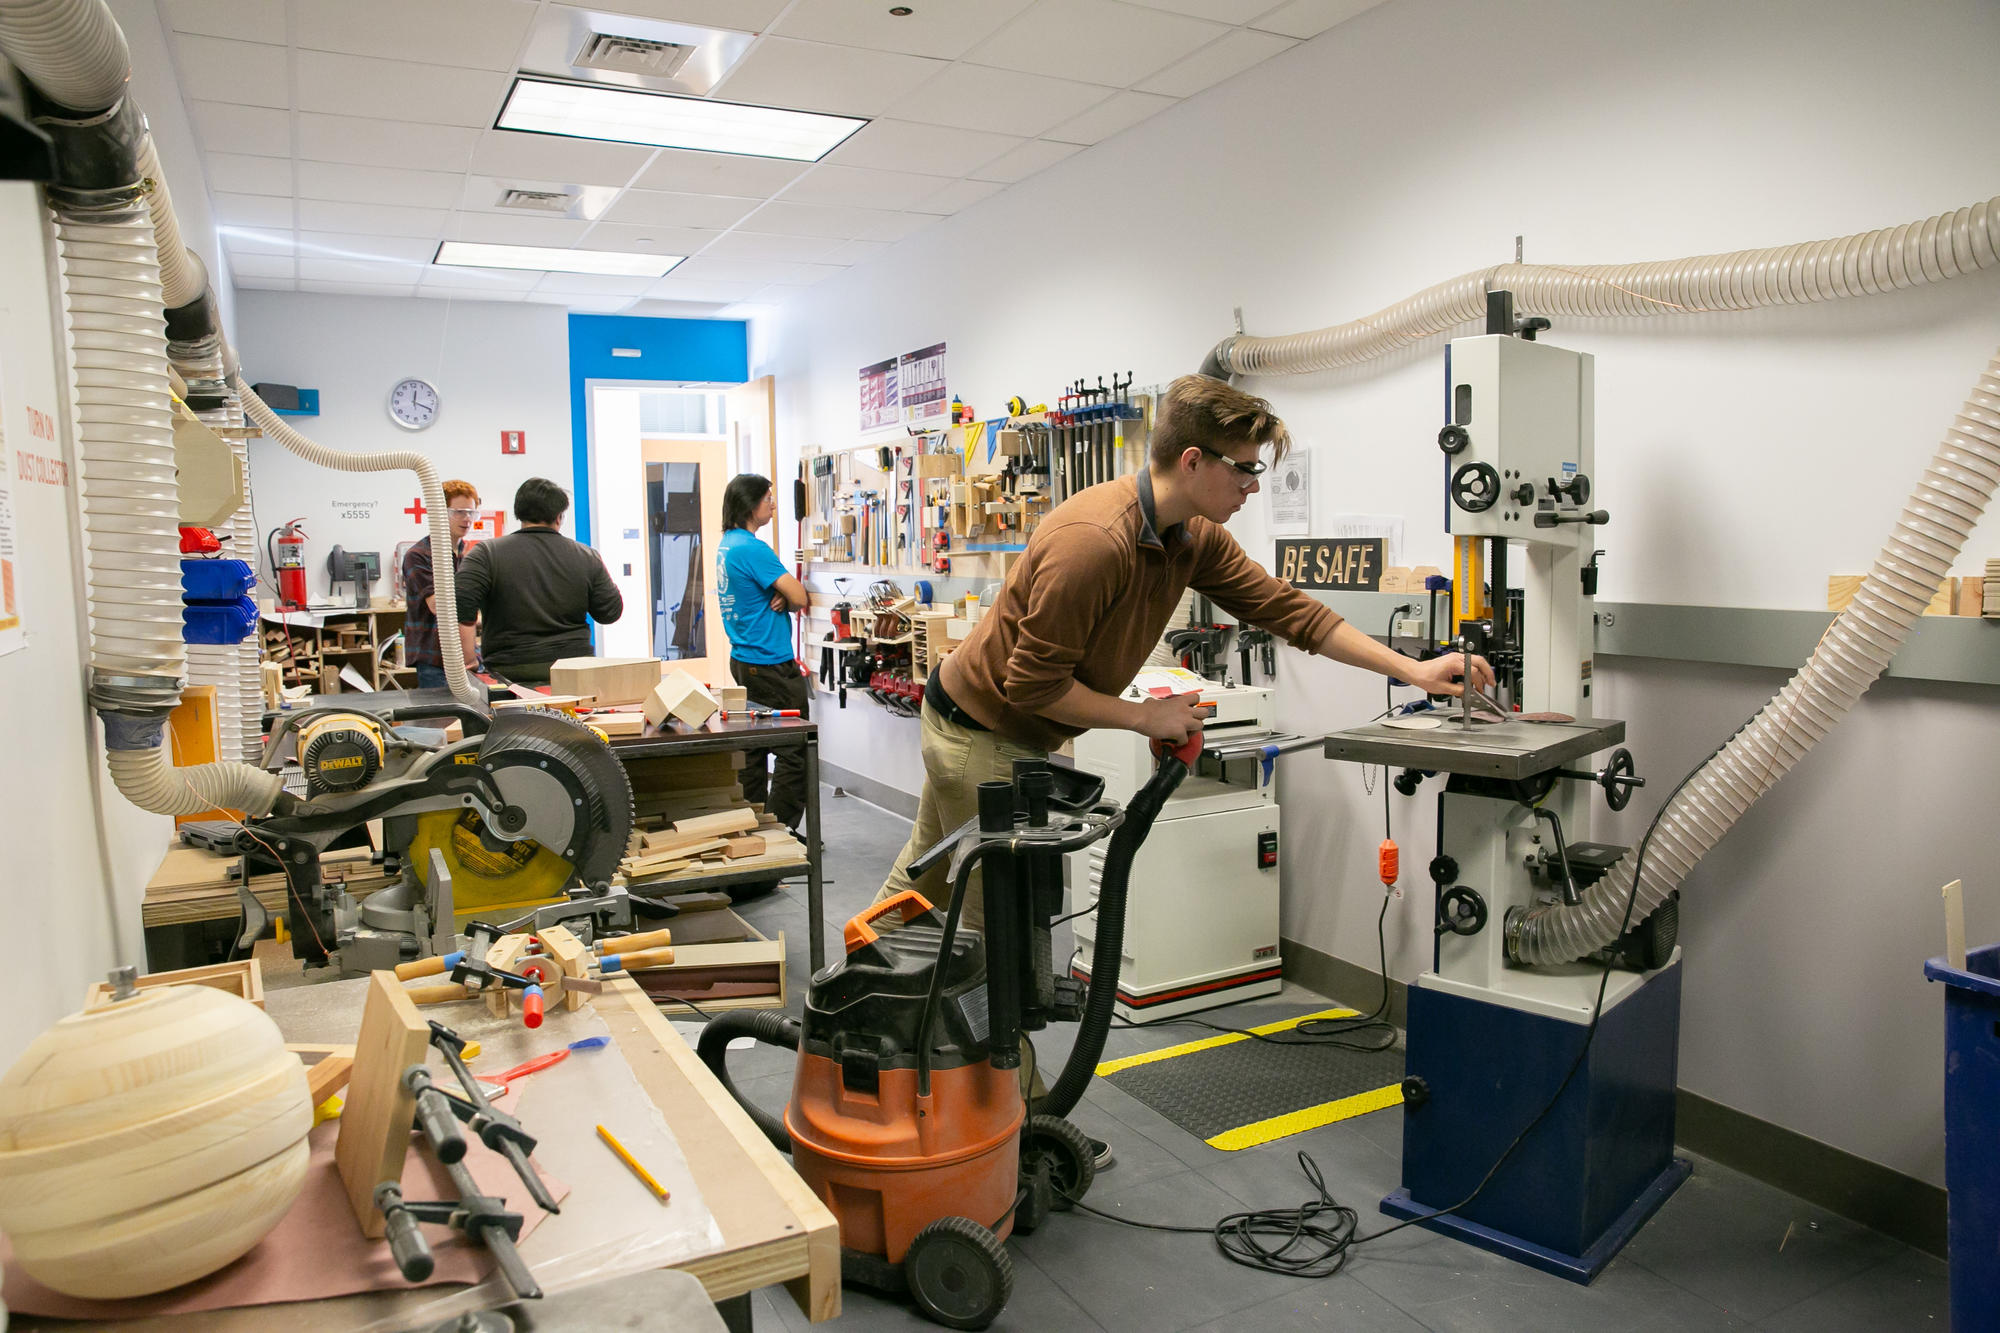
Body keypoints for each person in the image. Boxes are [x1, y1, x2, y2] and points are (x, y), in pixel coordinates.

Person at [871, 376, 1494, 1167]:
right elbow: (1029, 686)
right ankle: (1019, 1130)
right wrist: (1144, 715)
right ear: (1193, 460)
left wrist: (1414, 670)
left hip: (1002, 724)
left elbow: (1289, 612)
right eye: (1243, 469)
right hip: (982, 730)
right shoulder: (1092, 543)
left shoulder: (1194, 535)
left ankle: (843, 1010)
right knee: (996, 936)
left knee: (920, 888)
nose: (1252, 487)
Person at [456, 477, 622, 686]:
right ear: (559, 516)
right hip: (573, 671)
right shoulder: (587, 556)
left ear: (519, 513)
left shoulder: (486, 553)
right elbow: (610, 613)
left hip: (510, 673)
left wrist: (469, 661)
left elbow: (461, 604)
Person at [716, 475, 811, 829]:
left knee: (753, 752)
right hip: (770, 664)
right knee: (796, 750)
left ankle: (749, 828)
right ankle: (779, 831)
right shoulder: (752, 548)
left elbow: (781, 595)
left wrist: (783, 596)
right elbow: (800, 596)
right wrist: (789, 596)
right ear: (750, 504)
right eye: (768, 498)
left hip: (743, 660)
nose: (772, 504)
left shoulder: (728, 544)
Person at [400, 479, 479, 691]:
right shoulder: (418, 555)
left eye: (471, 513)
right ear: (440, 513)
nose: (467, 518)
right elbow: (438, 605)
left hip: (466, 657)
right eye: (459, 511)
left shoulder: (467, 554)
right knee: (441, 722)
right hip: (434, 657)